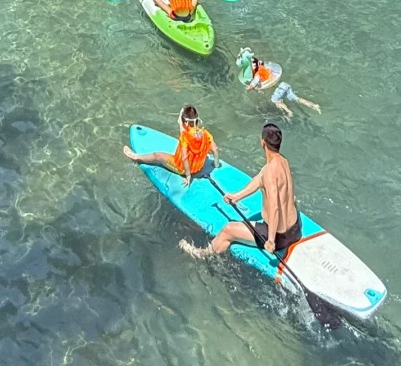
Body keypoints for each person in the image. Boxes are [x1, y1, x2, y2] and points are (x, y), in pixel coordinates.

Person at [180, 122, 300, 259]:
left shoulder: (269, 172)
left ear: (262, 142)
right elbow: (260, 179)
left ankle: (203, 254)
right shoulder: (283, 162)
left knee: (228, 230)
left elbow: (274, 207)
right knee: (292, 199)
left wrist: (271, 240)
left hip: (279, 238)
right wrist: (237, 196)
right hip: (295, 230)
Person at [124, 105, 218, 188]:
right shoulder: (205, 133)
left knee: (158, 155)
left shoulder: (185, 137)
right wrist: (215, 164)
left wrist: (188, 176)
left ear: (185, 123)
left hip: (182, 169)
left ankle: (136, 157)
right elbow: (215, 149)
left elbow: (185, 157)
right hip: (199, 167)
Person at [237, 49, 321, 119]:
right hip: (284, 85)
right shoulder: (266, 68)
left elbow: (254, 83)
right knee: (297, 98)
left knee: (275, 100)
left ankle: (289, 112)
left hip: (279, 90)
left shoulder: (258, 75)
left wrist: (249, 88)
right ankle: (314, 105)